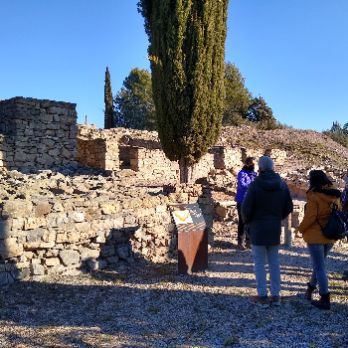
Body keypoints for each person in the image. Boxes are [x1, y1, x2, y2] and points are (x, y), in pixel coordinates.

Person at [242, 156, 293, 307]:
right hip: (274, 227)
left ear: (260, 168)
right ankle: (276, 296)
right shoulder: (282, 185)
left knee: (259, 263)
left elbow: (246, 209)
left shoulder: (255, 185)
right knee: (274, 263)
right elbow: (288, 206)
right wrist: (277, 217)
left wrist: (248, 222)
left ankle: (262, 296)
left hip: (258, 228)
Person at [297, 170, 341, 310]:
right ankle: (310, 290)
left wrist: (300, 229)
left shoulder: (314, 195)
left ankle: (325, 298)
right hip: (331, 235)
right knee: (319, 265)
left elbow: (310, 217)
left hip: (316, 236)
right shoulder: (334, 194)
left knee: (319, 267)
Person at [235, 157, 257, 250]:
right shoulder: (242, 173)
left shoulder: (255, 174)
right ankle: (240, 242)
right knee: (243, 222)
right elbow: (242, 185)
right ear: (250, 164)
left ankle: (249, 242)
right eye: (254, 164)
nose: (255, 166)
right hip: (242, 201)